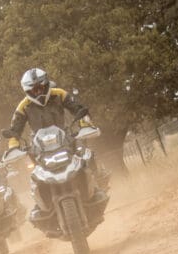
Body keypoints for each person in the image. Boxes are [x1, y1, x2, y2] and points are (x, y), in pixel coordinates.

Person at [6, 68, 108, 234]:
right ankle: (41, 205)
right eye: (33, 89)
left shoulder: (59, 93)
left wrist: (84, 124)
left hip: (65, 139)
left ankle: (94, 187)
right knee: (35, 175)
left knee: (84, 157)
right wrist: (13, 146)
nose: (37, 92)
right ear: (27, 90)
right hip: (39, 148)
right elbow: (14, 130)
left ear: (46, 84)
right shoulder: (23, 105)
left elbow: (78, 108)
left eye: (40, 87)